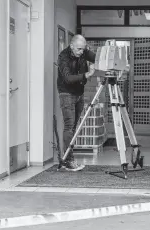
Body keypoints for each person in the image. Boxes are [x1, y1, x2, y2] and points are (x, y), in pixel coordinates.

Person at [56, 34, 96, 171]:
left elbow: (96, 57)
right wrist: (87, 75)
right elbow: (67, 78)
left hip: (79, 93)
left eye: (83, 49)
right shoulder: (63, 57)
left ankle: (68, 158)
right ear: (71, 46)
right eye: (79, 49)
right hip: (66, 93)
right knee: (69, 126)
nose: (81, 52)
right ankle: (68, 160)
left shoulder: (83, 51)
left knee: (74, 127)